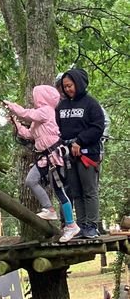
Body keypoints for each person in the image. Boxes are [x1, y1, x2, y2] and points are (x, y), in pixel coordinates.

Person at [5, 85, 80, 243]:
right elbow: (29, 134)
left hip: (54, 156)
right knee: (31, 181)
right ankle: (49, 208)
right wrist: (16, 122)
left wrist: (13, 106)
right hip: (45, 158)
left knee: (60, 191)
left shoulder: (46, 111)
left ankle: (71, 225)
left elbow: (26, 114)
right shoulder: (38, 118)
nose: (34, 99)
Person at [55, 68, 105, 239]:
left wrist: (80, 141)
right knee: (75, 191)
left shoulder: (91, 104)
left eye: (70, 86)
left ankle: (91, 225)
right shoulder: (61, 106)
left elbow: (98, 127)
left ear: (78, 83)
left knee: (89, 190)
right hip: (68, 155)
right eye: (65, 86)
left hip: (87, 154)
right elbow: (57, 128)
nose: (68, 89)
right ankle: (82, 225)